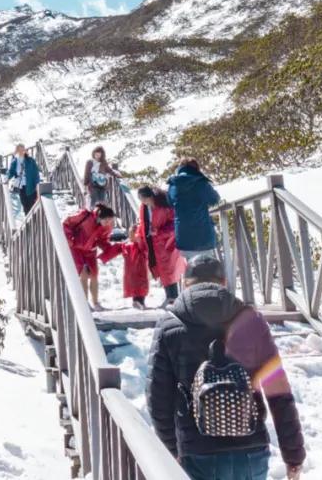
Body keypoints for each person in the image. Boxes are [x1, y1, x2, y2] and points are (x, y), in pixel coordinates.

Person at [147, 255, 305, 480]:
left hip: (197, 452)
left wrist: (171, 451)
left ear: (185, 284)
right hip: (251, 449)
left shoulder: (169, 325)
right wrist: (293, 455)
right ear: (223, 283)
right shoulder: (251, 321)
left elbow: (158, 398)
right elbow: (278, 392)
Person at [124, 186, 186, 309]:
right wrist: (138, 234)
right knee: (152, 268)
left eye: (144, 199)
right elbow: (143, 223)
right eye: (141, 200)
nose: (143, 202)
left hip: (165, 243)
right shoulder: (144, 207)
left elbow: (175, 224)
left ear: (150, 196)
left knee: (168, 270)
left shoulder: (165, 206)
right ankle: (144, 299)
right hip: (149, 242)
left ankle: (172, 297)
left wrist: (159, 232)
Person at [63, 204, 121, 310]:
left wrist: (111, 249)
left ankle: (96, 303)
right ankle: (84, 304)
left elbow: (102, 241)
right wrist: (69, 239)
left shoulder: (106, 227)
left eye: (110, 221)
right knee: (84, 275)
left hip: (91, 251)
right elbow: (66, 223)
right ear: (100, 217)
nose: (109, 223)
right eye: (107, 221)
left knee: (94, 276)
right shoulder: (84, 215)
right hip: (76, 248)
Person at [167, 158, 221, 266]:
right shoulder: (200, 183)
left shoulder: (173, 184)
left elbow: (169, 202)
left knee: (190, 271)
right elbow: (215, 199)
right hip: (203, 236)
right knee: (207, 270)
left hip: (184, 237)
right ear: (196, 168)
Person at [5, 144, 41, 217]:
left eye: (22, 149)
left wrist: (37, 186)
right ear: (17, 150)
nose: (21, 151)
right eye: (19, 149)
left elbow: (36, 174)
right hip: (21, 187)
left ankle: (31, 222)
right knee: (25, 206)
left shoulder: (31, 160)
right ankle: (28, 223)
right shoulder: (15, 161)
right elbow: (11, 171)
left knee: (32, 206)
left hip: (31, 186)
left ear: (25, 150)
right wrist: (7, 179)